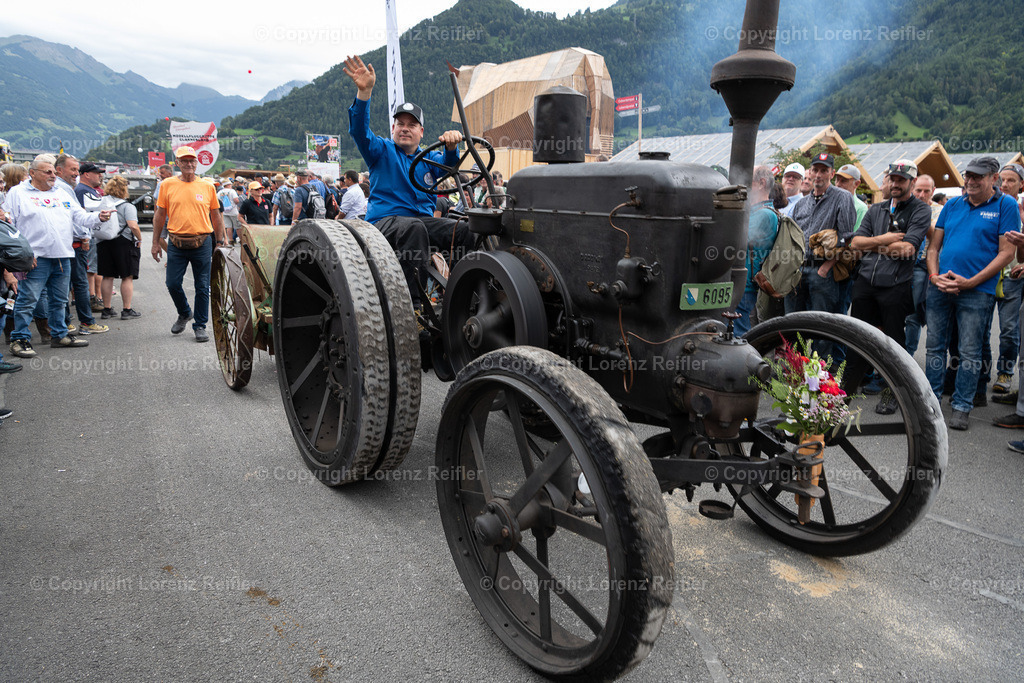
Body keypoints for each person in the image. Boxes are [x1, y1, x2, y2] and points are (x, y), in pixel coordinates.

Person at [343, 55, 475, 309]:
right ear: (393, 129)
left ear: (421, 132)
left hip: (420, 224)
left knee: (468, 229)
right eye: (400, 124)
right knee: (414, 227)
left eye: (411, 124)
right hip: (384, 224)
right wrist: (364, 93)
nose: (405, 128)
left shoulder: (428, 158)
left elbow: (448, 166)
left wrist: (451, 146)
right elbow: (359, 131)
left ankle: (465, 296)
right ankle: (414, 307)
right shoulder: (380, 150)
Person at [925, 157, 1019, 431]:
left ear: (993, 178)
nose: (971, 181)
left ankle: (962, 406)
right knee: (934, 347)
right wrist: (934, 276)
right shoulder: (952, 204)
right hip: (941, 286)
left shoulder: (1006, 205)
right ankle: (930, 403)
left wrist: (971, 282)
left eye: (978, 176)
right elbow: (934, 248)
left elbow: (1007, 253)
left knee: (969, 351)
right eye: (968, 176)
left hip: (977, 291)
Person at [2, 154, 115, 357]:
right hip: (35, 258)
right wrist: (21, 255)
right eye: (48, 172)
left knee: (60, 300)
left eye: (54, 171)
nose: (53, 175)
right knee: (28, 300)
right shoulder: (18, 193)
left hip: (62, 256)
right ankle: (19, 339)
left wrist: (98, 217)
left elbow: (79, 216)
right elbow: (10, 225)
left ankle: (59, 334)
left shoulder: (61, 193)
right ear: (32, 173)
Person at [848, 160, 931, 414]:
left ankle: (893, 394)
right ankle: (844, 394)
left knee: (894, 345)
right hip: (866, 282)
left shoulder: (920, 210)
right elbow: (855, 243)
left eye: (901, 180)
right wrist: (883, 240)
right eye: (892, 179)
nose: (895, 183)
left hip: (895, 285)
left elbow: (907, 250)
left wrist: (871, 245)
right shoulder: (876, 209)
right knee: (857, 339)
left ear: (912, 182)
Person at [151, 146, 226, 343]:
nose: (189, 164)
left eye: (192, 160)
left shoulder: (207, 186)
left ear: (196, 162)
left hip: (202, 242)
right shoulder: (167, 185)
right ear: (177, 163)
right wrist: (155, 242)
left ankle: (200, 325)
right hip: (176, 243)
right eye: (184, 161)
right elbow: (160, 215)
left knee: (202, 286)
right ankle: (185, 312)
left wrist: (220, 241)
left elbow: (216, 216)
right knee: (172, 283)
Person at [786, 153, 857, 315]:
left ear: (832, 174)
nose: (818, 175)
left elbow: (847, 238)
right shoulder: (801, 203)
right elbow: (792, 238)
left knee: (820, 323)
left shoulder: (843, 197)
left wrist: (825, 268)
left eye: (824, 171)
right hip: (798, 270)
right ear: (810, 172)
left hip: (823, 271)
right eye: (815, 170)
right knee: (792, 321)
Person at [735, 166, 779, 336]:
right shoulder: (755, 212)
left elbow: (737, 240)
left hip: (744, 286)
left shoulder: (764, 215)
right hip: (740, 284)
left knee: (739, 333)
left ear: (761, 183)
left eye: (748, 181)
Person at [70, 162, 110, 335]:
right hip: (84, 237)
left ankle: (92, 299)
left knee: (91, 269)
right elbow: (80, 217)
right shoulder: (81, 190)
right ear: (86, 174)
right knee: (87, 271)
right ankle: (92, 299)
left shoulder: (88, 190)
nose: (100, 175)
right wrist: (84, 237)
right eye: (96, 173)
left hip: (89, 235)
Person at [97, 175, 142, 320]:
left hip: (104, 241)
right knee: (127, 276)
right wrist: (139, 238)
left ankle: (107, 309)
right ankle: (126, 309)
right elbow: (133, 225)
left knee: (107, 275)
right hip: (124, 242)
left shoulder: (102, 204)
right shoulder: (127, 206)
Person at [218, 178, 240, 243]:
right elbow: (236, 200)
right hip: (233, 211)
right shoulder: (232, 191)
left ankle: (230, 240)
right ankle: (242, 240)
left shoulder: (219, 192)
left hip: (224, 212)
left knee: (228, 227)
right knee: (238, 226)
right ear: (228, 185)